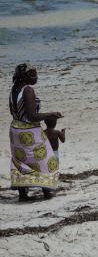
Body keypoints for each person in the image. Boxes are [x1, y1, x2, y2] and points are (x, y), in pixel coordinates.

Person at [8, 63, 63, 201]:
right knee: (45, 159)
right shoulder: (28, 90)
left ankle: (22, 194)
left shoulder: (14, 90)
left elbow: (13, 112)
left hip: (15, 130)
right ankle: (46, 192)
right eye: (32, 74)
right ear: (24, 76)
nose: (36, 76)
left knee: (20, 161)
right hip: (29, 131)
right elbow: (32, 116)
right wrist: (51, 114)